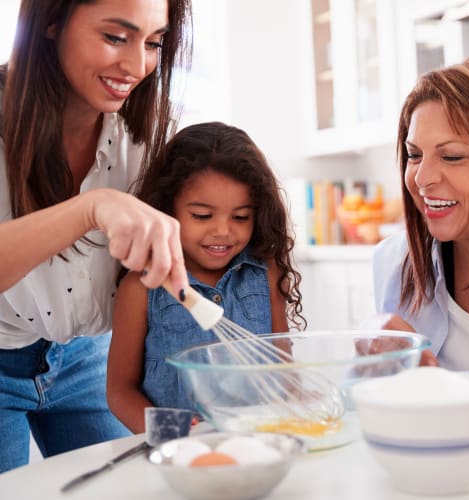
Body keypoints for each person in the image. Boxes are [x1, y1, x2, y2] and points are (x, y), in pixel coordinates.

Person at [0, 0, 193, 473]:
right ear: (50, 21)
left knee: (133, 485)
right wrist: (93, 208)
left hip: (88, 358)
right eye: (114, 37)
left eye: (153, 42)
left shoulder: (145, 133)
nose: (136, 66)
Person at [107, 121, 306, 433]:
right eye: (202, 216)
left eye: (241, 217)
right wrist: (174, 432)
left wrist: (299, 405)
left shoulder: (266, 274)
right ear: (166, 208)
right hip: (180, 454)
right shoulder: (141, 288)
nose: (223, 231)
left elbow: (283, 370)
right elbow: (120, 391)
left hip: (259, 443)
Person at [372, 56, 469, 370]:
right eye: (414, 155)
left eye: (452, 156)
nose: (421, 177)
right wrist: (372, 341)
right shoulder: (393, 261)